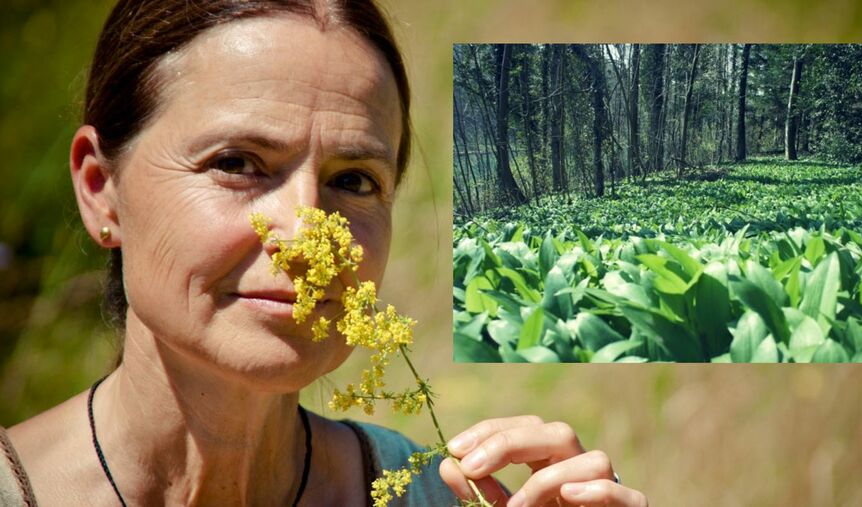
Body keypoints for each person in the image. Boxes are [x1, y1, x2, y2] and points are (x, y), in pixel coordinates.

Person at [0, 1, 647, 506]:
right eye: (238, 163)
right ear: (99, 189)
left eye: (354, 180)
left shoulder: (434, 493)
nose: (312, 238)